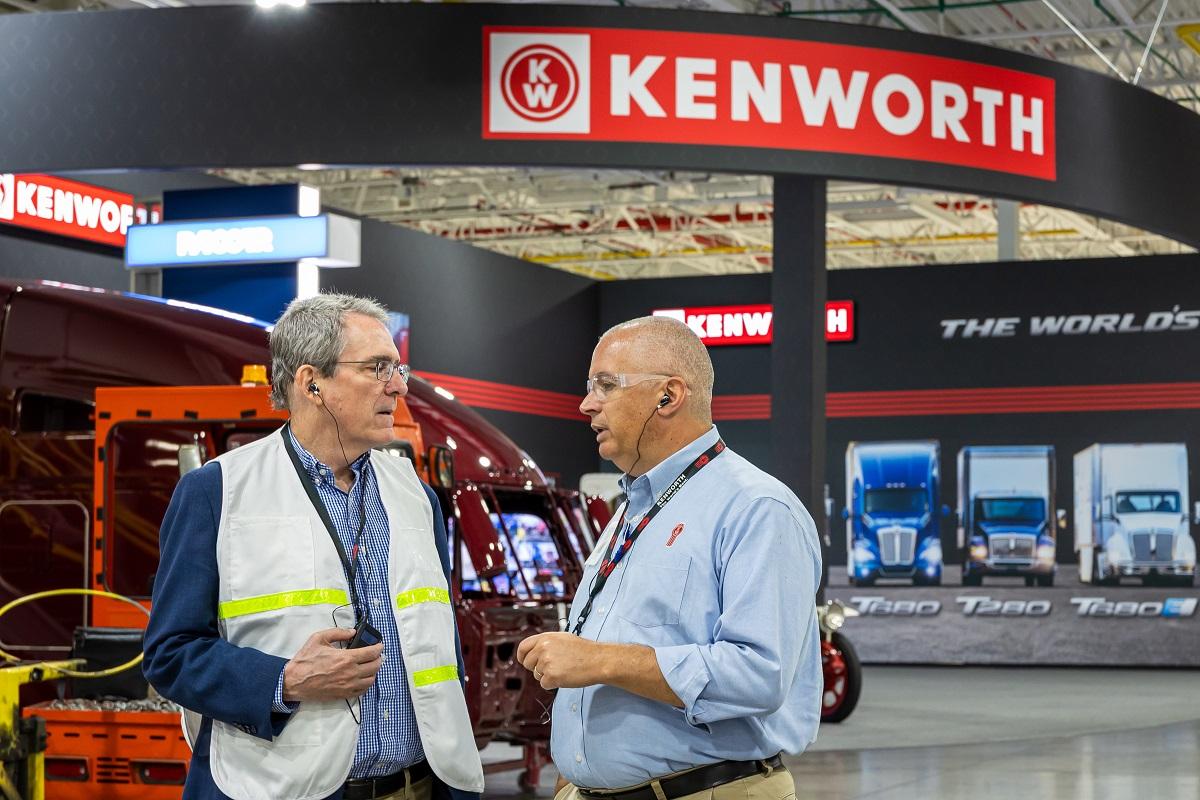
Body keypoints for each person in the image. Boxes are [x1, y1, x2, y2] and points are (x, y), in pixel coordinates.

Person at [143, 294, 484, 800]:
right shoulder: (219, 492)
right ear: (312, 383)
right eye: (377, 367)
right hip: (280, 788)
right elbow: (170, 655)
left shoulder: (417, 495)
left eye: (398, 368)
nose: (398, 385)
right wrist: (284, 680)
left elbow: (439, 641)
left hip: (422, 785)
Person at [516, 315, 822, 800]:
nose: (586, 404)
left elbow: (759, 674)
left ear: (668, 396)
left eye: (605, 385)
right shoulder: (633, 510)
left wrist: (601, 661)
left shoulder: (757, 509)